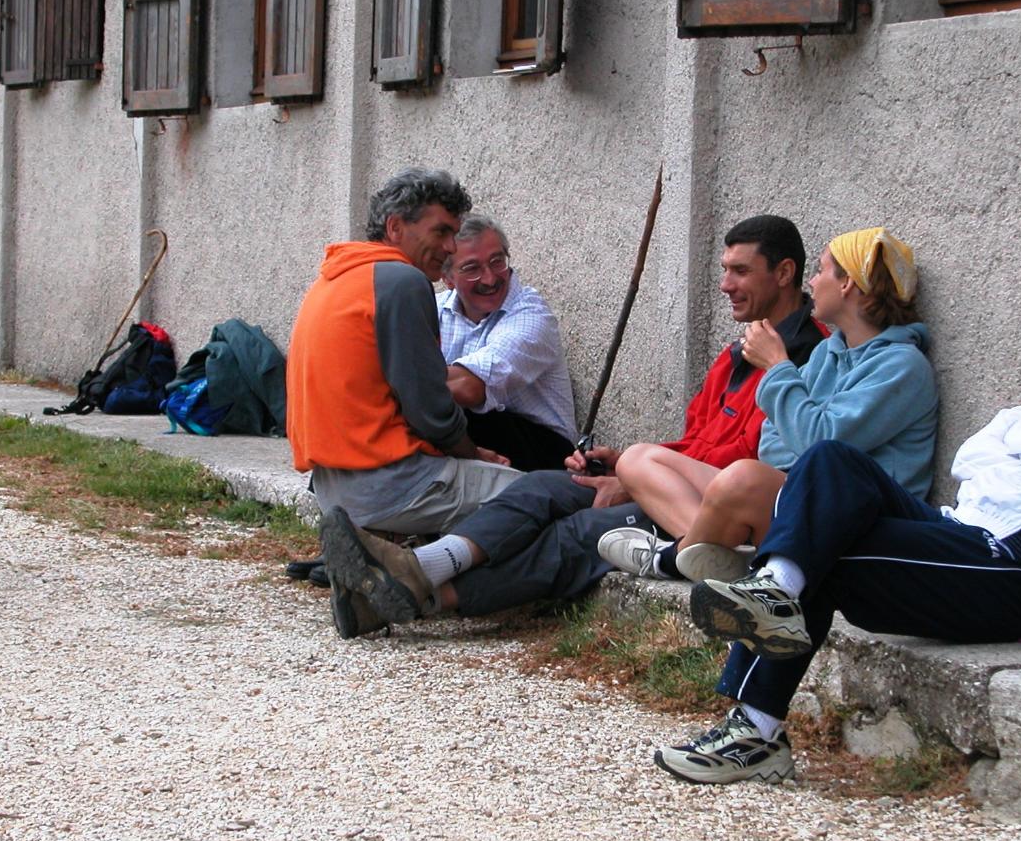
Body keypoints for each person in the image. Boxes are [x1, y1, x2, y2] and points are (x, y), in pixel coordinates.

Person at [655, 239, 1021, 785]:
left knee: (823, 544)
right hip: (962, 529)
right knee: (832, 460)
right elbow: (975, 452)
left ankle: (755, 730)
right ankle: (776, 588)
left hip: (1019, 571)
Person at [316, 215, 828, 630]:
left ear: (782, 273)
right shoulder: (739, 352)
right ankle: (418, 571)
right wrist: (622, 465)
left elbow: (755, 464)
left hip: (708, 515)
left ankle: (424, 592)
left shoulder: (808, 355)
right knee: (540, 487)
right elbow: (697, 440)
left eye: (739, 271)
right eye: (724, 269)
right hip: (668, 483)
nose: (724, 284)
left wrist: (636, 480)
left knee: (579, 533)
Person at [599, 227, 937, 585]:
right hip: (792, 500)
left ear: (847, 284)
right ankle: (724, 555)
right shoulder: (829, 353)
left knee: (744, 476)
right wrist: (790, 439)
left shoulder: (902, 367)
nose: (812, 280)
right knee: (637, 458)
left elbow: (822, 447)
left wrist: (778, 368)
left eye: (821, 270)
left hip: (853, 522)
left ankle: (674, 557)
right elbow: (771, 440)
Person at [286, 167, 521, 638]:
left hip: (333, 488)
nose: (451, 248)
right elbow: (431, 408)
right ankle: (418, 587)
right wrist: (473, 455)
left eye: (454, 233)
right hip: (387, 482)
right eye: (441, 231)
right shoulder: (400, 282)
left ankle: (383, 567)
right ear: (396, 227)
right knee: (530, 498)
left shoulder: (336, 278)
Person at [437, 213, 577, 472]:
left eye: (496, 262)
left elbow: (468, 387)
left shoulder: (531, 315)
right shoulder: (434, 309)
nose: (490, 279)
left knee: (449, 407)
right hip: (476, 438)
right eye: (472, 269)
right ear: (447, 278)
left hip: (545, 455)